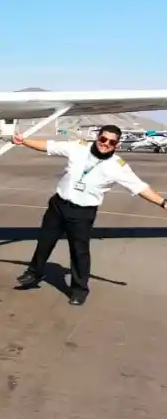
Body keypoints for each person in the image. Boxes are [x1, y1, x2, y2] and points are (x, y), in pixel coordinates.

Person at [13, 125, 167, 305]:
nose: (106, 144)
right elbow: (50, 146)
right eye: (103, 139)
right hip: (58, 205)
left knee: (79, 251)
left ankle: (79, 289)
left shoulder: (118, 167)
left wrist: (163, 203)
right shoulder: (78, 148)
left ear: (116, 144)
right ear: (97, 137)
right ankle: (34, 272)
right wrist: (24, 141)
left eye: (111, 142)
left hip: (82, 213)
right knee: (45, 241)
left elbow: (140, 187)